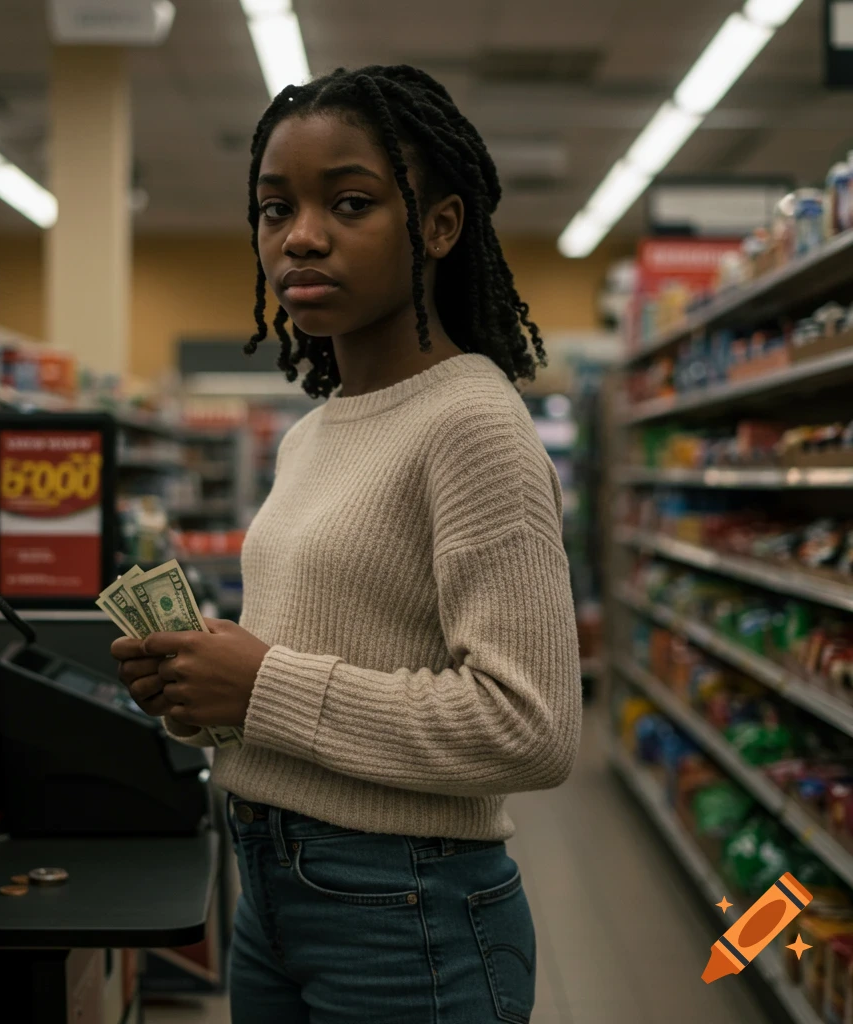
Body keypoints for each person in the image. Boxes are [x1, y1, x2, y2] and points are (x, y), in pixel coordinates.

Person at [111, 64, 582, 1024]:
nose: (302, 236)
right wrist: (200, 688)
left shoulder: (472, 424)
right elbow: (323, 663)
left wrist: (261, 683)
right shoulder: (315, 430)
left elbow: (531, 725)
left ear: (440, 227)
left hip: (406, 910)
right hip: (269, 889)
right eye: (274, 208)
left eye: (352, 202)